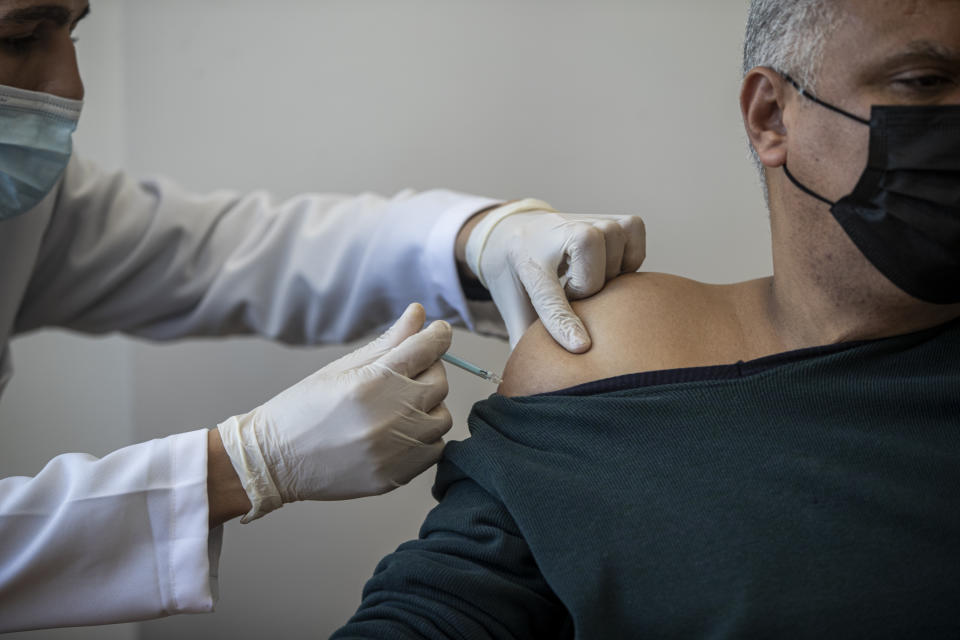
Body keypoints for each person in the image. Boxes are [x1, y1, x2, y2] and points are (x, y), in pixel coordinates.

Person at [0, 0, 648, 633]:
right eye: (21, 37)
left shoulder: (29, 207)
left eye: (73, 35)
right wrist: (245, 464)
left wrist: (476, 237)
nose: (69, 85)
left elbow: (242, 252)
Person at [332, 0, 960, 637]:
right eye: (926, 83)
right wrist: (236, 467)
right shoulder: (620, 354)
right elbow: (442, 612)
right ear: (772, 116)